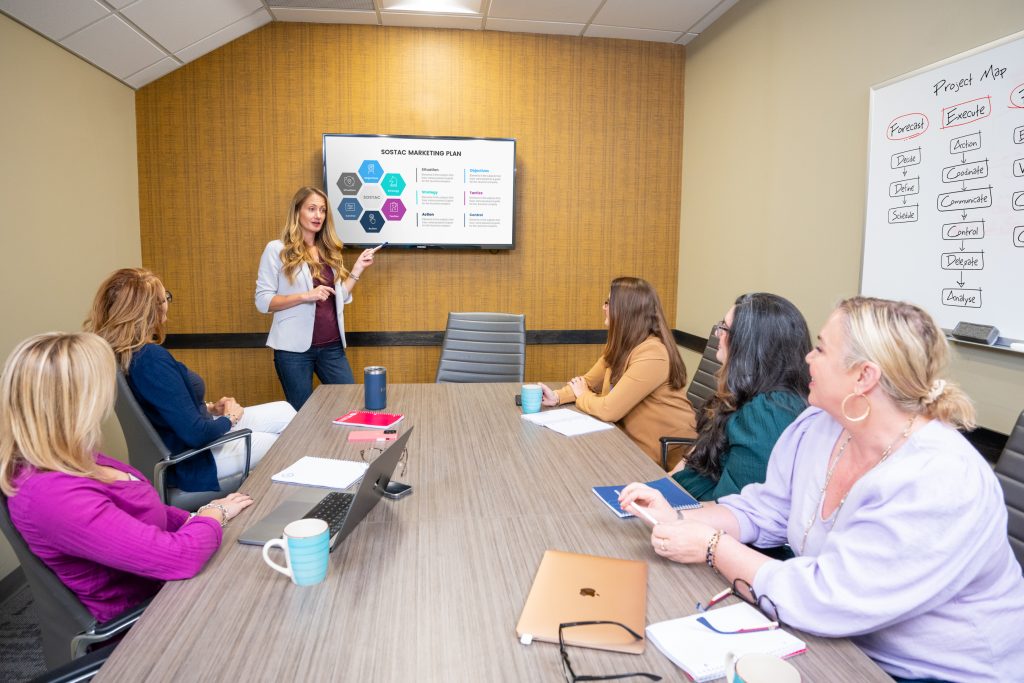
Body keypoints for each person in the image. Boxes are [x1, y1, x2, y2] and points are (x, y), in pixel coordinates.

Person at [621, 297, 1024, 683]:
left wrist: (714, 546)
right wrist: (679, 517)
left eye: (820, 349)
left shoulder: (940, 477)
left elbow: (827, 599)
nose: (807, 359)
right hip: (840, 639)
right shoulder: (817, 425)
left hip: (930, 670)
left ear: (864, 376)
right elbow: (766, 511)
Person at [0, 332, 254, 622]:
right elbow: (179, 558)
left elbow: (145, 513)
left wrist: (197, 518)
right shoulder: (51, 494)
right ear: (77, 399)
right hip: (147, 621)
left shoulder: (73, 454)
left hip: (170, 584)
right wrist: (212, 516)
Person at [86, 268, 295, 493]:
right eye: (164, 298)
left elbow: (164, 407)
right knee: (283, 442)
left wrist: (210, 408)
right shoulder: (150, 360)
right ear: (150, 309)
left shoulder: (127, 355)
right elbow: (195, 434)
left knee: (286, 412)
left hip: (193, 435)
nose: (167, 302)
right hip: (194, 460)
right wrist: (230, 418)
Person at [539, 277, 697, 467]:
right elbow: (588, 382)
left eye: (608, 302)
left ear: (626, 310)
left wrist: (583, 395)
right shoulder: (620, 345)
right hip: (624, 441)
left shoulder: (653, 353)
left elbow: (608, 410)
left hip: (662, 454)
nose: (603, 307)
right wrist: (556, 397)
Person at [669, 293, 810, 501]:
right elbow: (695, 456)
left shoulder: (768, 411)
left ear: (750, 343)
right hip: (682, 501)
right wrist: (663, 484)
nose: (718, 334)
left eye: (725, 328)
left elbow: (735, 508)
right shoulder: (742, 391)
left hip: (697, 518)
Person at [256, 186, 379, 410]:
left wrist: (358, 268)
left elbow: (338, 297)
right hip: (293, 351)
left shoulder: (329, 251)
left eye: (322, 210)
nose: (318, 215)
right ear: (297, 212)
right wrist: (305, 296)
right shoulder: (277, 250)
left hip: (332, 348)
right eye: (311, 209)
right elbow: (263, 302)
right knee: (303, 416)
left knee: (350, 406)